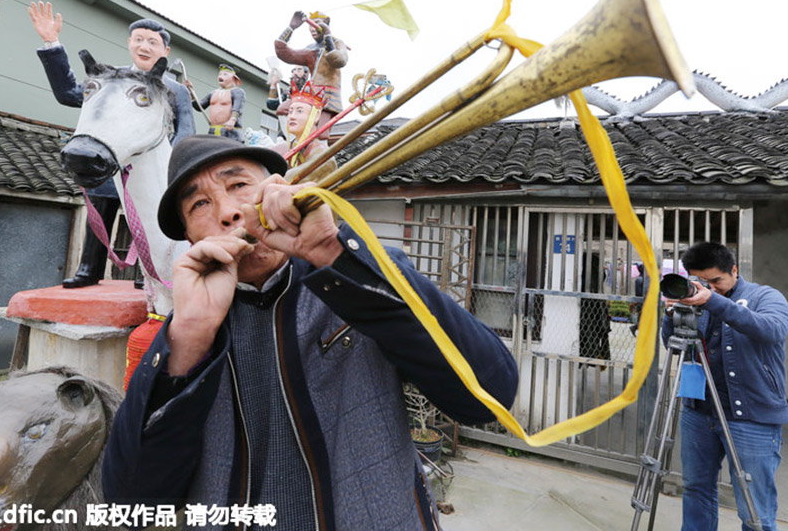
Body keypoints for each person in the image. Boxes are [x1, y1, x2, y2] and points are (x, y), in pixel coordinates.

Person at [102, 135, 519, 530]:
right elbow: (132, 505)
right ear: (190, 237)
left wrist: (336, 255)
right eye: (199, 205)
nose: (228, 212)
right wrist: (191, 335)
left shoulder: (355, 274)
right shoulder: (186, 331)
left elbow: (490, 395)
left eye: (240, 184)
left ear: (277, 189)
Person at [28, 1, 195, 288]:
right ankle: (88, 270)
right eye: (139, 39)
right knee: (99, 217)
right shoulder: (109, 79)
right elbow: (69, 92)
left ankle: (149, 273)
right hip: (108, 163)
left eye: (152, 42)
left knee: (151, 222)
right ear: (130, 43)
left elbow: (186, 132)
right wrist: (51, 43)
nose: (145, 46)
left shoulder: (175, 89)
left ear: (165, 51)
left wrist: (174, 172)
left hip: (151, 172)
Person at [661, 241, 788, 531]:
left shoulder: (765, 296)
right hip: (699, 410)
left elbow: (772, 329)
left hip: (752, 417)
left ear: (734, 270)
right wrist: (671, 314)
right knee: (696, 488)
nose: (709, 287)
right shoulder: (696, 299)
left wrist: (711, 300)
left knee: (754, 506)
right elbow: (672, 344)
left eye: (716, 281)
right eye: (701, 281)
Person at [274, 11, 348, 129]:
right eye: (310, 24)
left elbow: (339, 60)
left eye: (316, 23)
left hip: (328, 96)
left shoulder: (337, 43)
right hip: (310, 93)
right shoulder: (310, 48)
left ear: (326, 24)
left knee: (320, 132)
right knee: (282, 110)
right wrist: (291, 28)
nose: (312, 27)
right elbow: (284, 53)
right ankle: (291, 138)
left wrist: (328, 36)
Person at [186, 63, 247, 138]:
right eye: (220, 74)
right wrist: (191, 92)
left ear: (234, 79)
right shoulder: (213, 93)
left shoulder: (238, 92)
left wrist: (233, 120)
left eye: (225, 74)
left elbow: (237, 107)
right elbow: (200, 107)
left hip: (230, 132)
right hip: (213, 130)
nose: (221, 76)